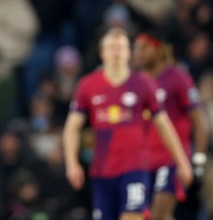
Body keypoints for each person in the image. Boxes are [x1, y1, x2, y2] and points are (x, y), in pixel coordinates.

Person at [62, 27, 193, 220]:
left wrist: (182, 162)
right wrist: (72, 163)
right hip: (102, 171)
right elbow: (72, 128)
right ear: (102, 53)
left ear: (128, 53)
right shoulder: (88, 85)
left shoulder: (143, 84)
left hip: (134, 168)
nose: (116, 52)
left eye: (121, 47)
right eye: (112, 47)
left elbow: (164, 125)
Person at [133, 32, 209, 220]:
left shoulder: (177, 77)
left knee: (159, 213)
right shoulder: (136, 82)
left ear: (158, 49)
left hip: (171, 158)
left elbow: (199, 121)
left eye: (144, 48)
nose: (138, 53)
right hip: (143, 161)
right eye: (136, 49)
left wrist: (199, 159)